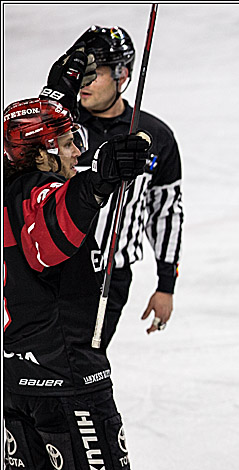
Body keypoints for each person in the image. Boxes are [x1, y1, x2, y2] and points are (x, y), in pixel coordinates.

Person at [2, 42, 160, 470]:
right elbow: (49, 242)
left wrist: (101, 176)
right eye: (66, 141)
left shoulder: (15, 184)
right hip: (64, 378)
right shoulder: (38, 195)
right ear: (41, 151)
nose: (77, 147)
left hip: (18, 374)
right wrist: (97, 181)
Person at [74, 26, 184, 345]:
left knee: (85, 366)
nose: (84, 80)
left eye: (96, 73)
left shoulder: (154, 138)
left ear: (122, 75)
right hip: (46, 273)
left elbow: (166, 213)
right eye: (81, 70)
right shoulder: (59, 128)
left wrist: (166, 286)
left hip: (108, 279)